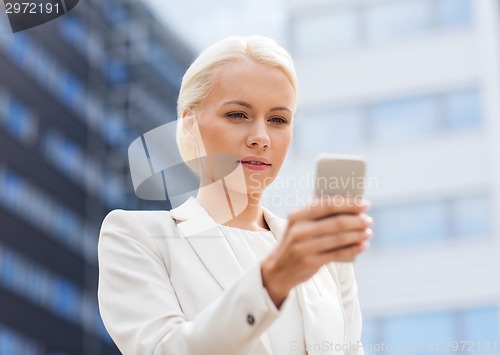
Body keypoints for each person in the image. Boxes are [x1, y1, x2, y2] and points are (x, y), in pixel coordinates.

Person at [97, 35, 372, 355]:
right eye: (238, 115)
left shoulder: (327, 262)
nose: (261, 137)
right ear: (190, 124)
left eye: (278, 119)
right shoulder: (138, 236)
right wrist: (273, 280)